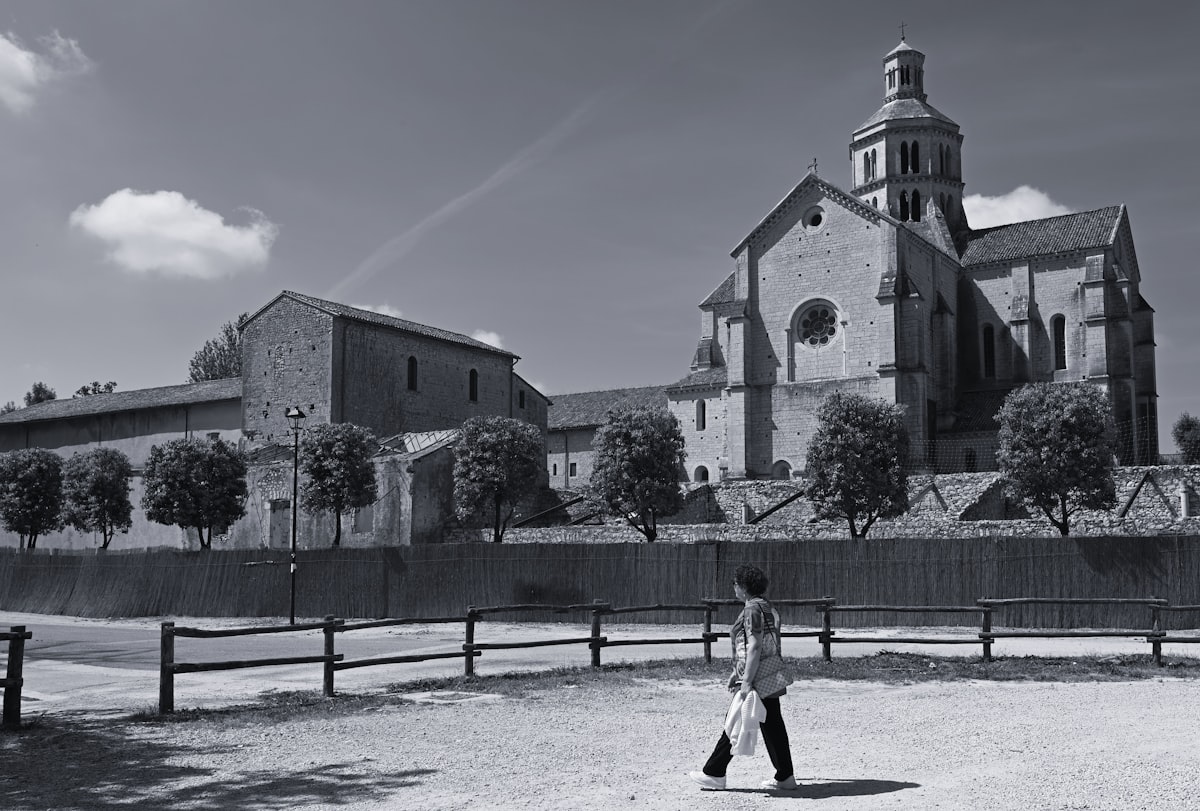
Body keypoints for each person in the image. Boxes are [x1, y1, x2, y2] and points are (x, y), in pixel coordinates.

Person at [688, 564, 796, 791]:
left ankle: (714, 772)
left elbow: (755, 645)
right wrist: (735, 673)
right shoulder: (767, 607)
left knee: (736, 717)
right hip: (768, 673)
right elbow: (760, 644)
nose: (734, 587)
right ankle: (785, 776)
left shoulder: (752, 610)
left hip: (756, 675)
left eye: (735, 583)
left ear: (743, 587)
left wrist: (746, 680)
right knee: (772, 723)